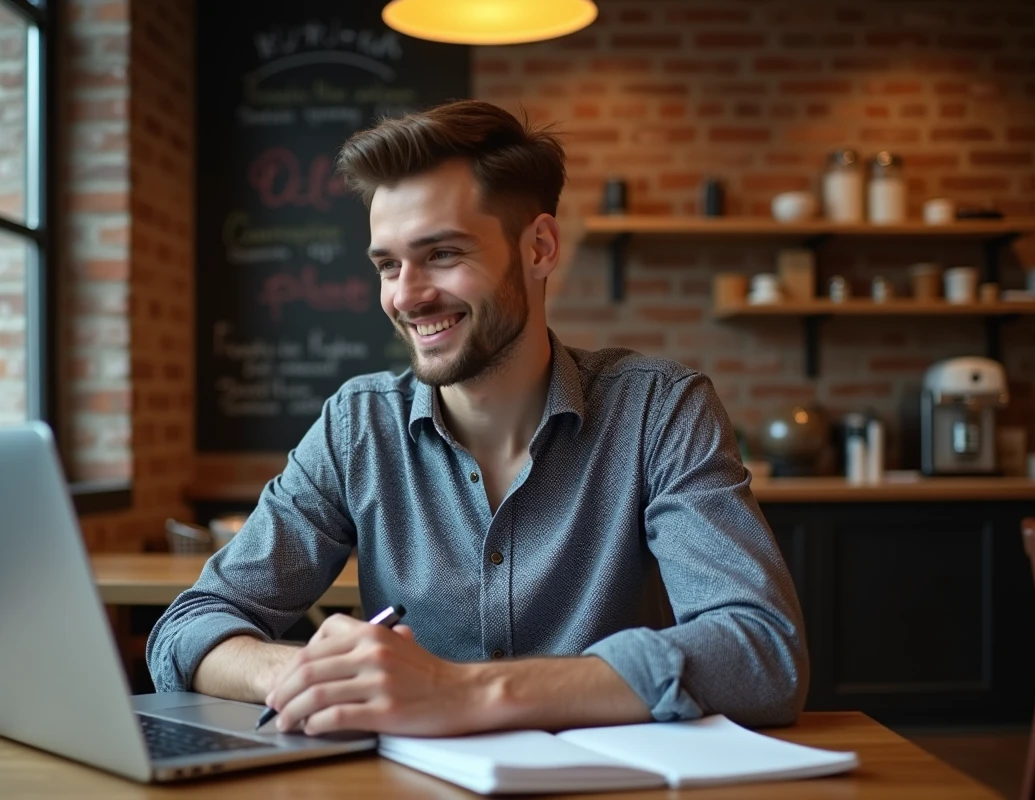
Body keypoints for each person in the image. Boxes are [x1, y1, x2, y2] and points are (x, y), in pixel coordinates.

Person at [147, 100, 808, 737]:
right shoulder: (358, 426)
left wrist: (461, 692)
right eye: (388, 265)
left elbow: (762, 651)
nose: (406, 295)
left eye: (442, 254)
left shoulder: (659, 411)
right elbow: (189, 628)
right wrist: (326, 676)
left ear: (540, 248)